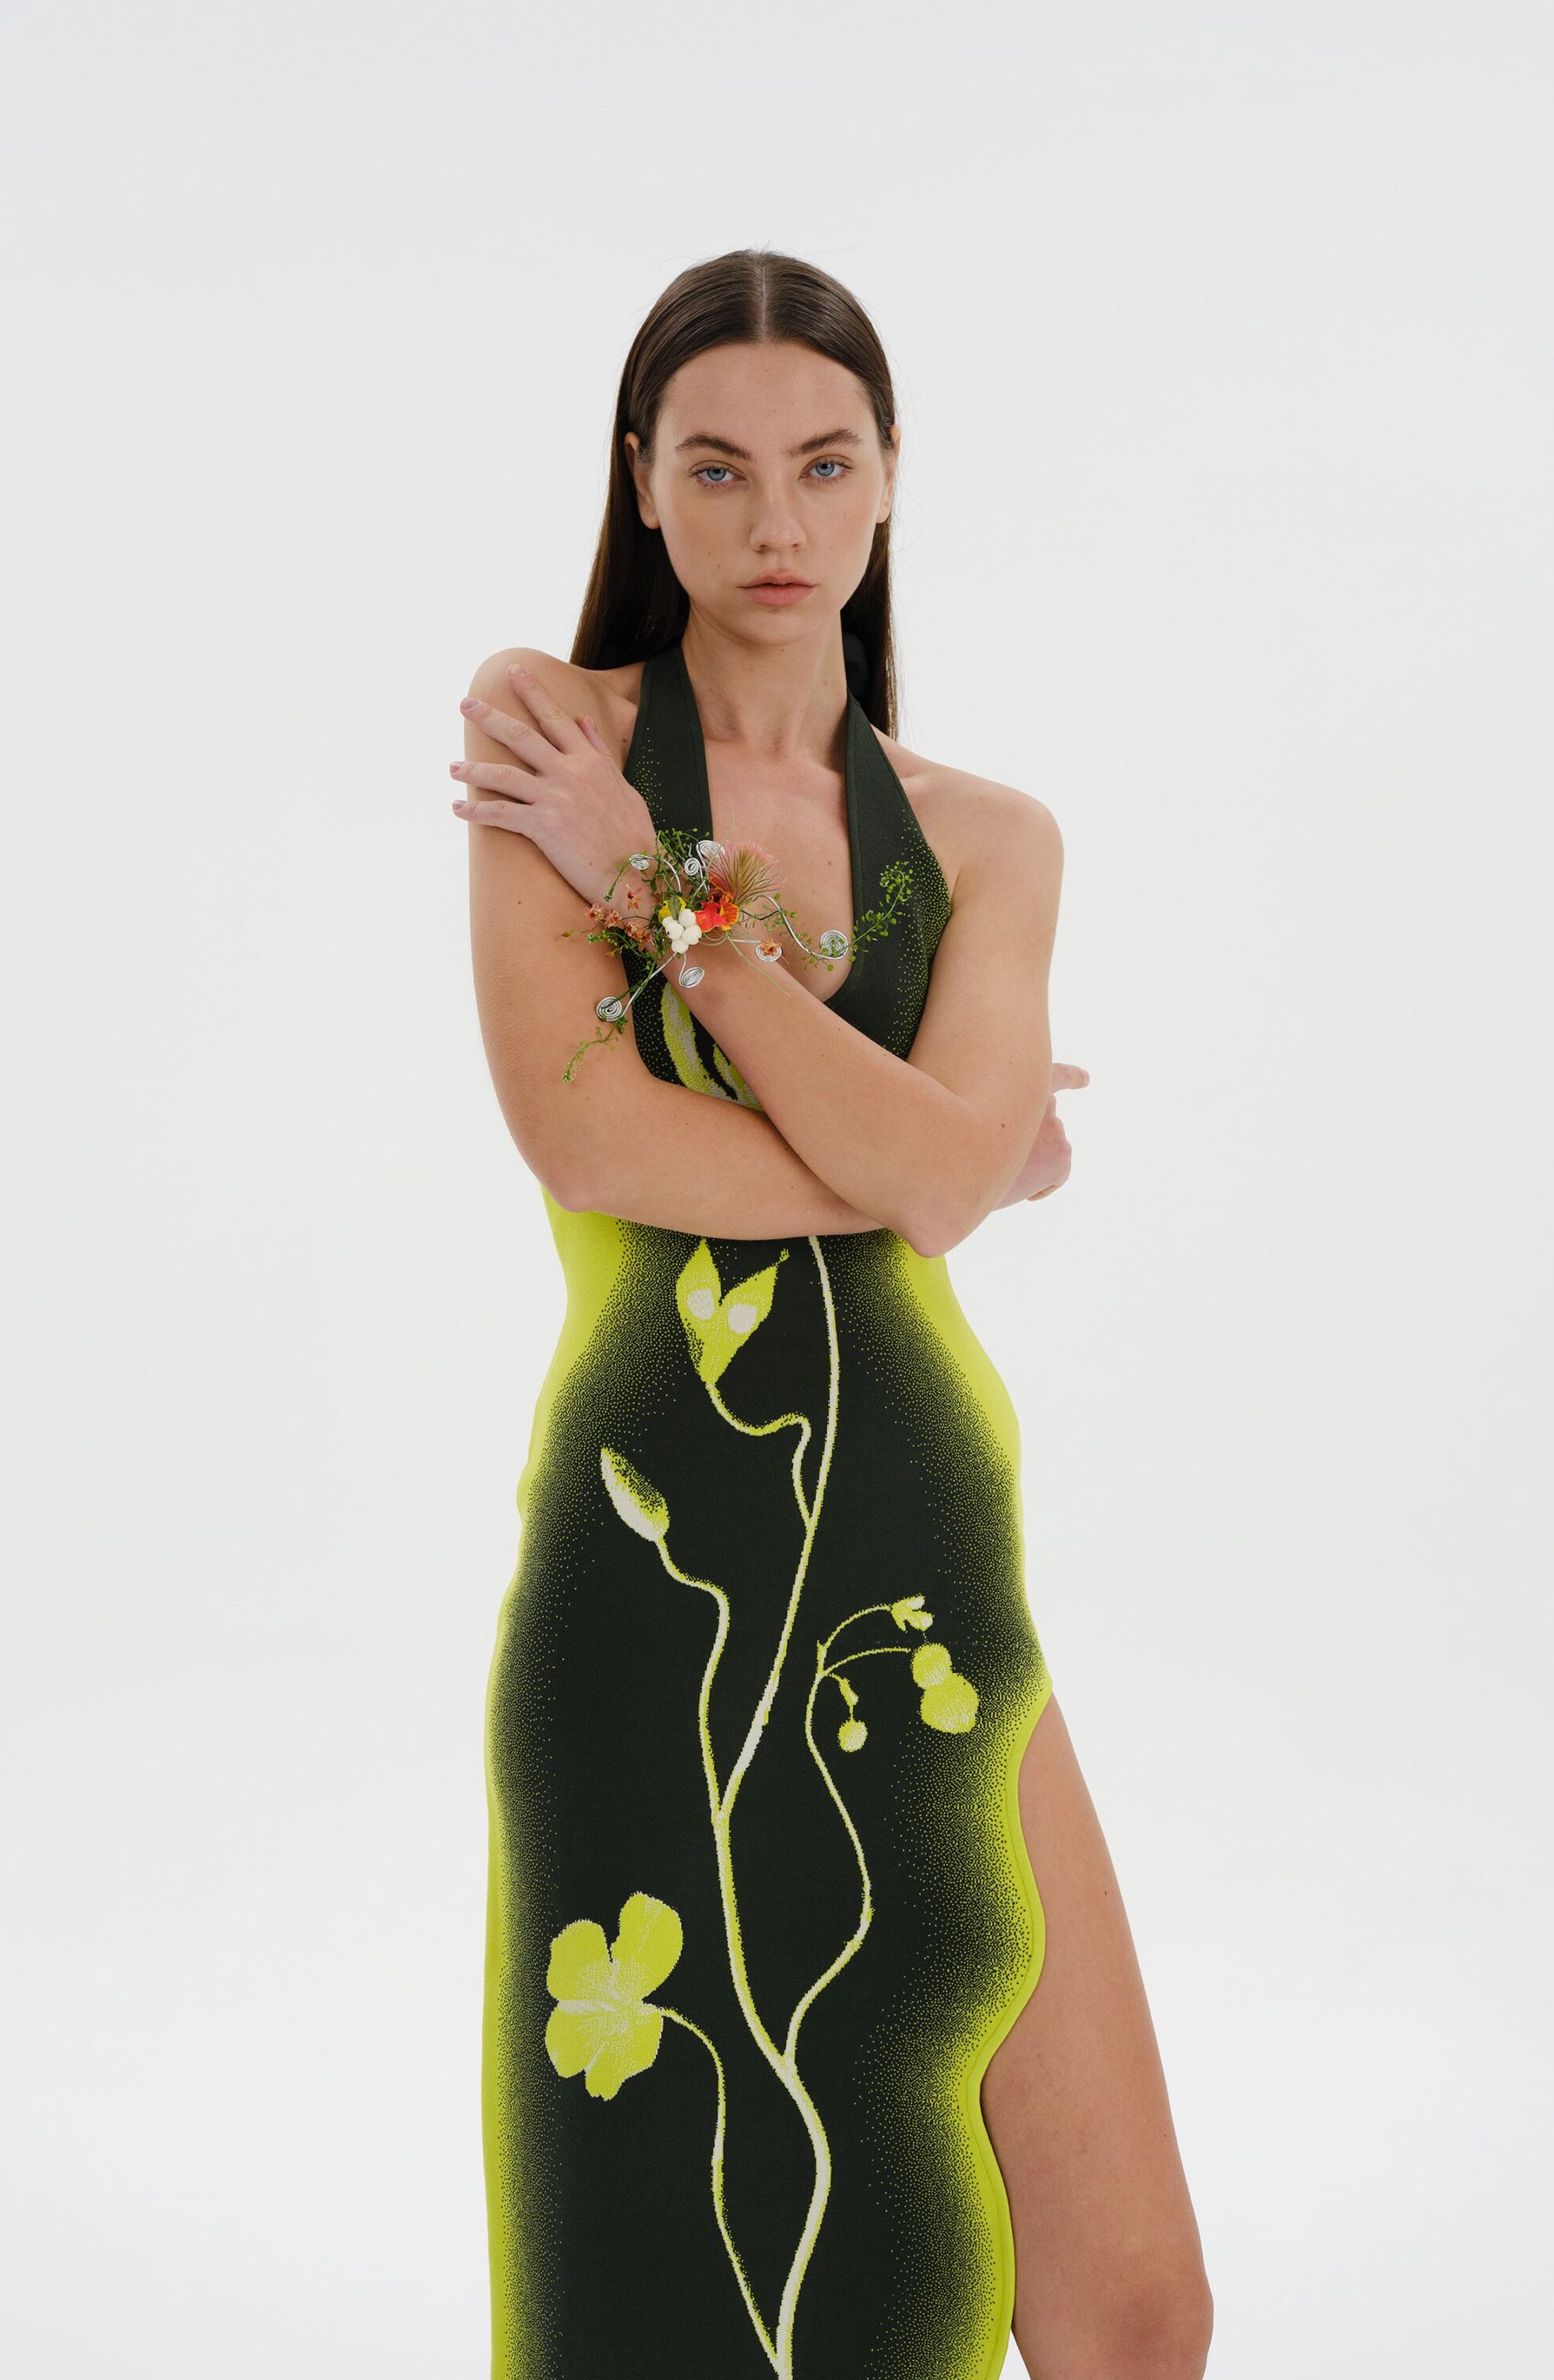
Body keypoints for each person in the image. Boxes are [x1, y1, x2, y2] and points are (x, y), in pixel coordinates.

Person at [451, 248, 1211, 2380]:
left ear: (887, 481)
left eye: (823, 465)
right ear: (643, 481)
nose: (774, 521)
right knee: (702, 2267)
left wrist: (665, 900)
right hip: (657, 1591)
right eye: (717, 468)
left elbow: (935, 1174)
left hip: (925, 1563)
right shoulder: (555, 736)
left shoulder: (986, 840)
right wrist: (932, 1157)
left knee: (1135, 2311)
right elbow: (595, 1141)